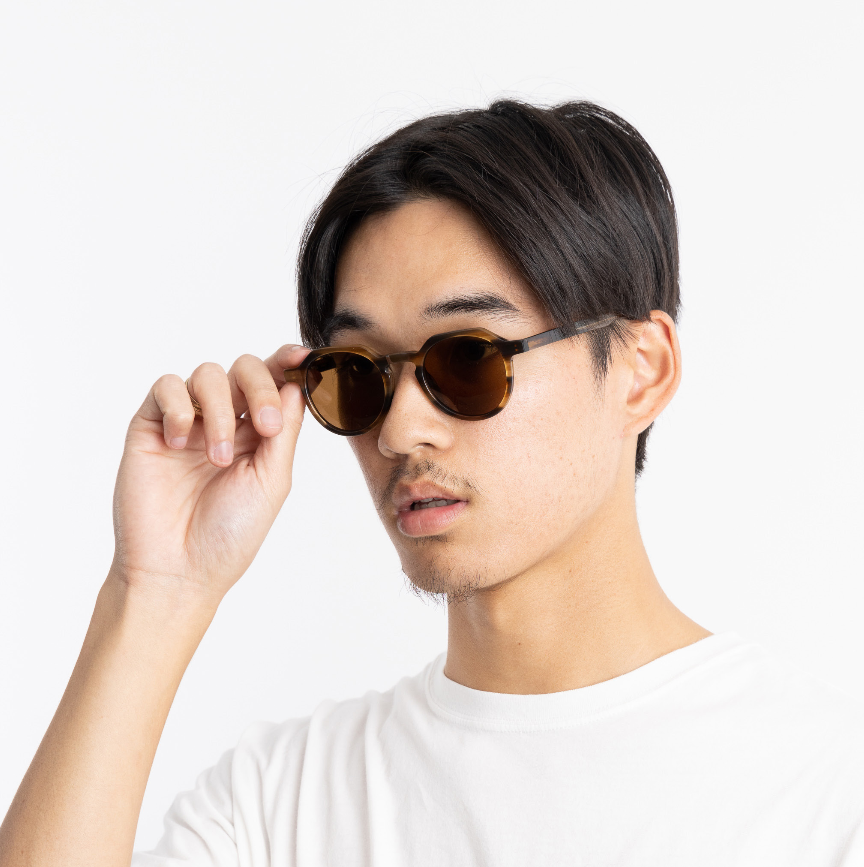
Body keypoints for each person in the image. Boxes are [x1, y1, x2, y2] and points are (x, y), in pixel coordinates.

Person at [1, 99, 862, 867]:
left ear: (641, 371)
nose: (400, 429)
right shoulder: (282, 804)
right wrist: (155, 590)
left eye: (468, 359)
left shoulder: (822, 795)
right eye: (359, 374)